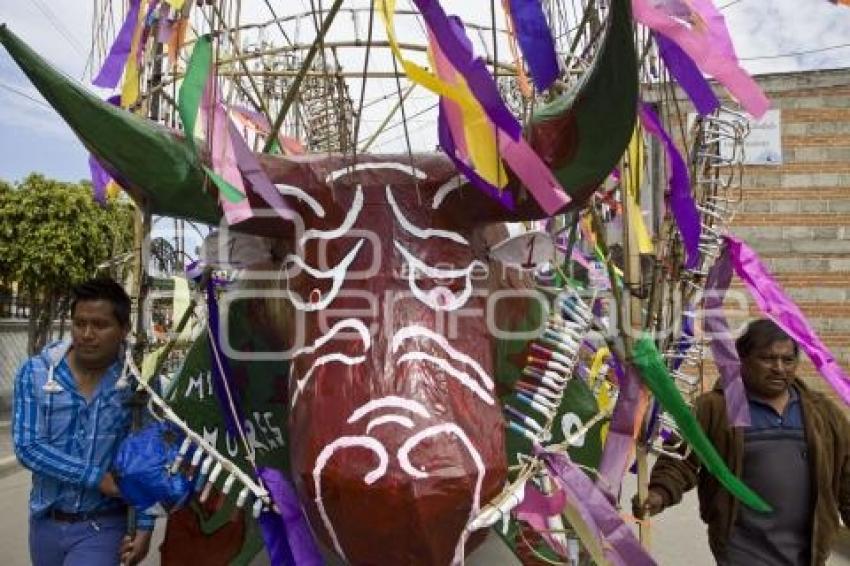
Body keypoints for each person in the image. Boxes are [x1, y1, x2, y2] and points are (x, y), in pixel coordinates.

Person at [634, 319, 850, 565]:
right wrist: (659, 493)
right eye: (767, 359)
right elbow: (681, 461)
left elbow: (846, 474)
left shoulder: (822, 413)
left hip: (808, 553)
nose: (779, 368)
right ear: (741, 361)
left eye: (788, 360)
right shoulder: (714, 409)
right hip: (742, 551)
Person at [13, 277, 154, 565]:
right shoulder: (36, 373)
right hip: (45, 524)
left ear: (124, 329)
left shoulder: (137, 383)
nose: (87, 334)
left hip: (104, 525)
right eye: (79, 323)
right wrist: (97, 478)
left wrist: (145, 524)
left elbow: (145, 459)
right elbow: (28, 446)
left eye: (100, 325)